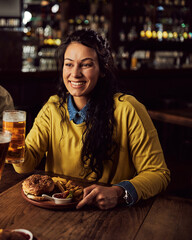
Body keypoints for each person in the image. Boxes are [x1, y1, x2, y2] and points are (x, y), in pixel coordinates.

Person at [13, 29, 170, 210]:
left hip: (109, 213)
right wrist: (12, 145)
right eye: (69, 64)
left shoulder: (128, 109)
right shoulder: (52, 108)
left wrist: (119, 192)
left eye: (86, 65)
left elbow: (158, 173)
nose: (75, 73)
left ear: (102, 70)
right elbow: (24, 166)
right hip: (57, 211)